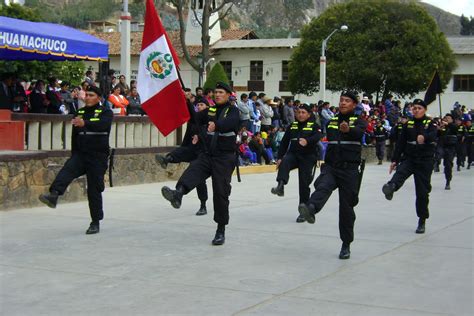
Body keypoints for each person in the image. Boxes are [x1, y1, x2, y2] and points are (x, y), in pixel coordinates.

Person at [161, 82, 239, 246]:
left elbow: (232, 123)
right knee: (193, 171)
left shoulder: (233, 111)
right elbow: (195, 118)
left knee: (220, 193)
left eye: (221, 92)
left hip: (224, 158)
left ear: (228, 95)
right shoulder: (210, 110)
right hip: (207, 154)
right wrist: (187, 101)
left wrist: (217, 125)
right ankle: (178, 194)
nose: (217, 95)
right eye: (216, 92)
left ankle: (220, 229)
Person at [297, 91, 367, 260]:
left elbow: (358, 133)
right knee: (323, 186)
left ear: (354, 105)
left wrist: (348, 129)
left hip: (350, 170)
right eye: (341, 100)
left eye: (347, 101)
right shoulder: (332, 122)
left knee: (346, 209)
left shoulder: (360, 122)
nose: (343, 103)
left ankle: (346, 244)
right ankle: (311, 209)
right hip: (331, 167)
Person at [38, 86, 113, 234]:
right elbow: (75, 135)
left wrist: (85, 124)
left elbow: (103, 125)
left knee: (94, 190)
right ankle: (54, 195)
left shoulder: (106, 112)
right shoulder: (80, 112)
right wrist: (74, 154)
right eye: (86, 95)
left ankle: (95, 221)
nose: (87, 98)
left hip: (97, 156)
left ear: (98, 98)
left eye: (91, 95)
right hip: (81, 154)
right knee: (67, 170)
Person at [382, 99, 437, 235]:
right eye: (414, 108)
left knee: (422, 192)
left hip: (424, 160)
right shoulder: (408, 124)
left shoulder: (430, 123)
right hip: (410, 157)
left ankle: (422, 220)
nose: (416, 110)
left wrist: (425, 137)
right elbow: (400, 143)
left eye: (419, 108)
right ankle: (391, 187)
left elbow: (435, 135)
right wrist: (394, 160)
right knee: (400, 173)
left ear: (424, 110)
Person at [155, 96, 210, 216]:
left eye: (202, 105)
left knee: (199, 181)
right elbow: (188, 131)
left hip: (203, 153)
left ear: (206, 107)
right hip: (192, 149)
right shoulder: (194, 120)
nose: (199, 107)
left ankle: (203, 205)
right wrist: (186, 101)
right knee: (180, 151)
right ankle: (167, 160)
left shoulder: (208, 118)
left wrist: (200, 136)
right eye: (198, 105)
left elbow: (209, 132)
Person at [271, 103, 322, 223]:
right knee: (285, 161)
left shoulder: (314, 125)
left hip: (308, 157)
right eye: (298, 112)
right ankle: (280, 186)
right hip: (293, 154)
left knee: (304, 184)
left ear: (309, 114)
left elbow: (318, 136)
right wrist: (279, 157)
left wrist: (308, 141)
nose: (300, 114)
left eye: (303, 112)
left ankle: (303, 212)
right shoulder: (292, 126)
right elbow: (284, 142)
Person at [438, 114, 458, 189]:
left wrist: (448, 124)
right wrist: (439, 129)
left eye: (449, 118)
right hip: (442, 146)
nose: (447, 119)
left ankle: (448, 181)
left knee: (448, 164)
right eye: (446, 118)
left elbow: (454, 128)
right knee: (438, 158)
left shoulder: (453, 126)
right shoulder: (443, 126)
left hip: (450, 147)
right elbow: (438, 135)